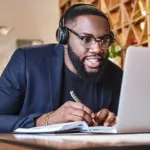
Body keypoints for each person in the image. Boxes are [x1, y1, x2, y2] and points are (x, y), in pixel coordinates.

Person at [0, 3, 123, 133]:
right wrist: (44, 120)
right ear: (64, 39)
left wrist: (113, 121)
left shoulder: (116, 75)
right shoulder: (26, 62)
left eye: (104, 40)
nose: (97, 49)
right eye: (86, 39)